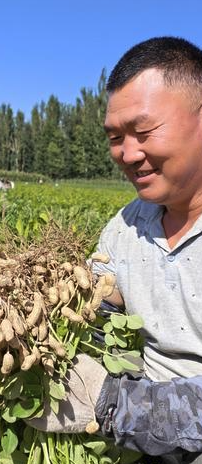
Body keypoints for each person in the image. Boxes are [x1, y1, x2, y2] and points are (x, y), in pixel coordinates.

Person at [29, 37, 202, 464]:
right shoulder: (125, 227)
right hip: (140, 448)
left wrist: (113, 403)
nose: (128, 154)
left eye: (143, 132)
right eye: (114, 137)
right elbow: (103, 308)